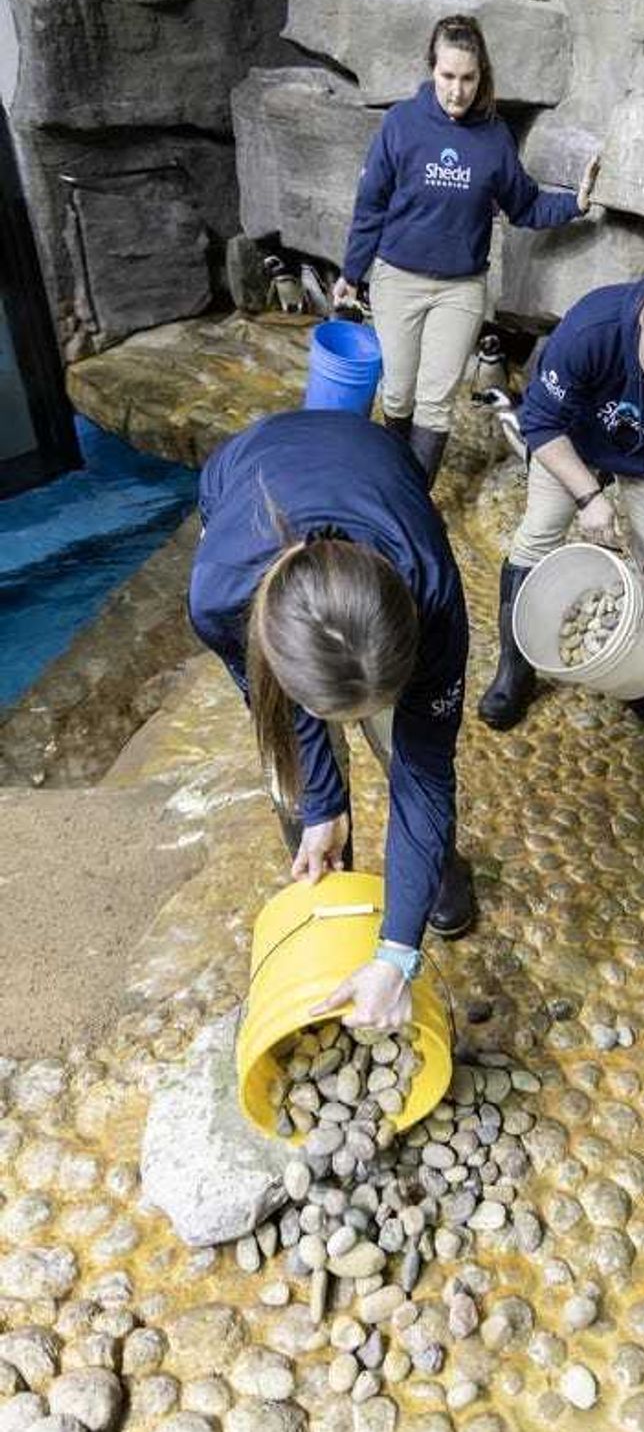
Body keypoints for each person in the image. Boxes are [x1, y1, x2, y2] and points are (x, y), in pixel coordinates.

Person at [188, 409, 473, 1030]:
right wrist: (322, 805)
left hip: (377, 461)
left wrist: (399, 955)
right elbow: (281, 710)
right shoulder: (218, 600)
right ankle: (335, 868)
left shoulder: (433, 592)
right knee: (300, 782)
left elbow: (425, 774)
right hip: (247, 465)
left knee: (407, 753)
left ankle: (429, 878)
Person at [332, 13, 599, 487]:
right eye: (447, 76)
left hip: (460, 288)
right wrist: (351, 273)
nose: (457, 90)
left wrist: (575, 204)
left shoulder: (494, 138)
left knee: (435, 401)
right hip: (398, 279)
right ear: (431, 69)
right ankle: (393, 484)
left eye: (468, 78)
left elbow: (525, 205)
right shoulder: (401, 124)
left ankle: (409, 503)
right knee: (396, 393)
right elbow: (370, 204)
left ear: (482, 77)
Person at [478, 259, 644, 730]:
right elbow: (540, 421)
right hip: (570, 439)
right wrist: (588, 497)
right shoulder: (593, 327)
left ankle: (641, 670)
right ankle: (514, 671)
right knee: (537, 534)